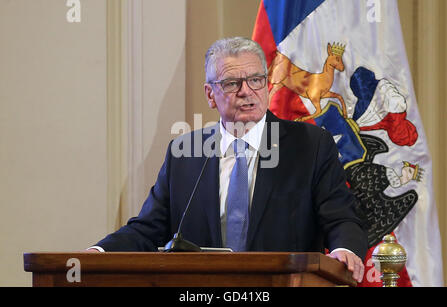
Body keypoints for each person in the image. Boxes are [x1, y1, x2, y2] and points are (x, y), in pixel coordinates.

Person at [87, 37, 368, 283]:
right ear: (211, 95)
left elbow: (341, 217)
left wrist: (345, 249)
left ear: (267, 86)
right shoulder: (185, 153)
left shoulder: (310, 145)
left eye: (256, 80)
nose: (246, 91)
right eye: (232, 83)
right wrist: (98, 254)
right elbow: (149, 229)